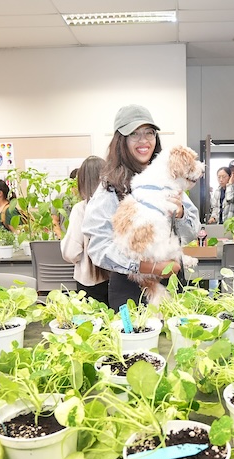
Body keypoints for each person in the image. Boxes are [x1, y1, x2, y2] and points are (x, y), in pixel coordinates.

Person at [82, 104, 199, 308]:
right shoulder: (109, 187)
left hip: (172, 278)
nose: (144, 140)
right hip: (130, 288)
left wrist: (180, 214)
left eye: (149, 133)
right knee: (134, 339)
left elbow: (191, 232)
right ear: (121, 140)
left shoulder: (169, 177)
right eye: (134, 134)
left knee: (176, 338)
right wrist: (150, 266)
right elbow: (98, 248)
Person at [59, 156, 109, 305]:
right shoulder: (116, 205)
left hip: (90, 281)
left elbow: (70, 252)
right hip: (118, 281)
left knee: (92, 325)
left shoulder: (81, 209)